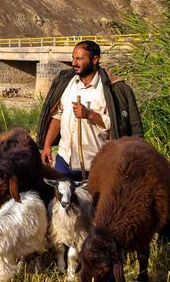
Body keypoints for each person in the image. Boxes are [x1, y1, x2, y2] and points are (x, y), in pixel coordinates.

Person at [37, 40, 142, 180]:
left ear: (94, 59)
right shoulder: (67, 83)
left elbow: (117, 124)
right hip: (64, 160)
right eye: (73, 58)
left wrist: (89, 115)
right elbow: (58, 116)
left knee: (94, 201)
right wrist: (47, 145)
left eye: (79, 58)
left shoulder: (110, 89)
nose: (74, 62)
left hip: (96, 164)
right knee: (62, 200)